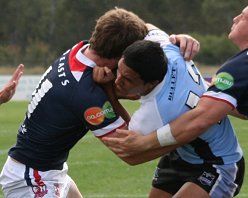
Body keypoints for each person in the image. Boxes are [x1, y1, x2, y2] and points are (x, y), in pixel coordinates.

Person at [102, 1, 248, 197]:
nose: (235, 18)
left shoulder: (242, 65)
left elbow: (201, 118)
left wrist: (146, 143)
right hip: (186, 156)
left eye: (243, 17)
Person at [0, 8, 199, 198]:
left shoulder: (82, 49)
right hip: (33, 180)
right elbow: (130, 152)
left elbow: (141, 27)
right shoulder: (87, 95)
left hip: (47, 170)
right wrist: (185, 134)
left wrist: (173, 40)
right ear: (121, 55)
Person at [99, 24, 244, 198]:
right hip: (182, 156)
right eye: (119, 70)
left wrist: (106, 90)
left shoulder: (158, 111)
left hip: (218, 163)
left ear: (150, 83)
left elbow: (129, 151)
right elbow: (144, 26)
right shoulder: (168, 49)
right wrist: (180, 36)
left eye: (127, 79)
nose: (117, 80)